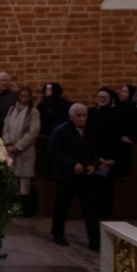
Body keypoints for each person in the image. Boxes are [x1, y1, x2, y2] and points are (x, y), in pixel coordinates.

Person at [48, 104, 102, 251]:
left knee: (91, 209)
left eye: (84, 115)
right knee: (62, 207)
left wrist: (93, 164)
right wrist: (72, 164)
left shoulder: (90, 130)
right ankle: (58, 234)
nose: (82, 118)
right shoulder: (61, 131)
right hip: (67, 176)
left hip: (86, 176)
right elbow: (54, 152)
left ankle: (95, 240)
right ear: (71, 116)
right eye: (78, 115)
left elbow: (96, 151)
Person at [3, 86, 40, 217]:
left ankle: (26, 209)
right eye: (22, 96)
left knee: (24, 181)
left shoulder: (33, 112)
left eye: (26, 96)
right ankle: (13, 207)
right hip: (10, 149)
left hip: (25, 150)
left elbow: (33, 132)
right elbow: (6, 127)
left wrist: (18, 146)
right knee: (11, 179)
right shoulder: (12, 109)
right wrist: (7, 143)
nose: (24, 99)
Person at [88, 88, 119, 217]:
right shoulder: (90, 113)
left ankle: (105, 214)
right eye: (99, 97)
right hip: (93, 155)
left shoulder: (115, 113)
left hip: (109, 155)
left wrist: (111, 159)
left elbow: (116, 136)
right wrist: (98, 158)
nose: (101, 99)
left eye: (104, 97)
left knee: (106, 188)